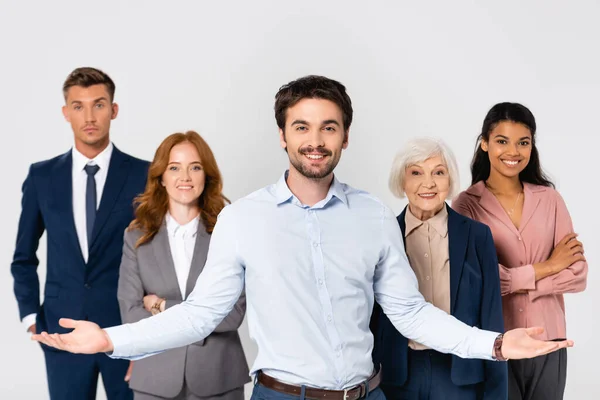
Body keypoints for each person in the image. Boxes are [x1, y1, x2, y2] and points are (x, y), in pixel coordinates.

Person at [34, 76, 573, 400]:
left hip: (367, 394)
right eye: (302, 127)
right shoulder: (245, 219)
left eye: (329, 128)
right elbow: (200, 315)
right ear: (283, 134)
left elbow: (410, 313)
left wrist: (496, 344)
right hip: (279, 396)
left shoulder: (370, 217)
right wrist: (109, 339)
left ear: (344, 136)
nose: (315, 142)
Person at [11, 67, 149, 399]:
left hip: (125, 330)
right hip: (61, 330)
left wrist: (149, 336)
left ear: (113, 110)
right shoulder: (42, 176)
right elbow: (23, 257)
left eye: (99, 104)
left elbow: (155, 257)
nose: (89, 116)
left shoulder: (144, 174)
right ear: (65, 113)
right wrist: (31, 316)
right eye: (78, 106)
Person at [451, 102, 587, 400]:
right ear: (484, 143)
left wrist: (513, 279)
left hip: (550, 338)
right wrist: (548, 267)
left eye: (523, 143)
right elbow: (476, 281)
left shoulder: (550, 199)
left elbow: (577, 274)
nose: (513, 152)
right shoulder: (467, 204)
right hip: (498, 340)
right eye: (502, 141)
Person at [370, 138, 506, 400]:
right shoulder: (382, 235)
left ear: (450, 180)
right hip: (397, 373)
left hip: (460, 375)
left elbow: (492, 316)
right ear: (402, 181)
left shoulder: (478, 237)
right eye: (416, 173)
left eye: (438, 172)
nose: (428, 183)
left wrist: (497, 393)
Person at [118, 131, 249, 400]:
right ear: (161, 178)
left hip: (218, 376)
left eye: (195, 167)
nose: (185, 177)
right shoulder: (136, 236)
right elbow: (131, 315)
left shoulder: (229, 232)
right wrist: (201, 315)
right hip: (154, 378)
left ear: (206, 176)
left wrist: (160, 305)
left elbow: (234, 313)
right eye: (174, 168)